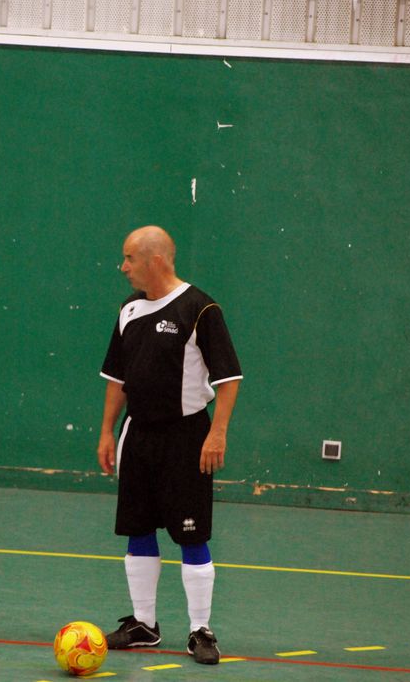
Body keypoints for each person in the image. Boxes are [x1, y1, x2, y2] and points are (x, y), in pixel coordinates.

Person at [96, 225, 241, 665]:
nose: (122, 267)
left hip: (186, 437)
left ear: (155, 259)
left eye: (128, 258)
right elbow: (117, 377)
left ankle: (200, 630)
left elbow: (228, 377)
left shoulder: (200, 309)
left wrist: (217, 432)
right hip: (137, 435)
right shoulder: (128, 310)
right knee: (138, 528)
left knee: (191, 535)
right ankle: (144, 624)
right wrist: (107, 429)